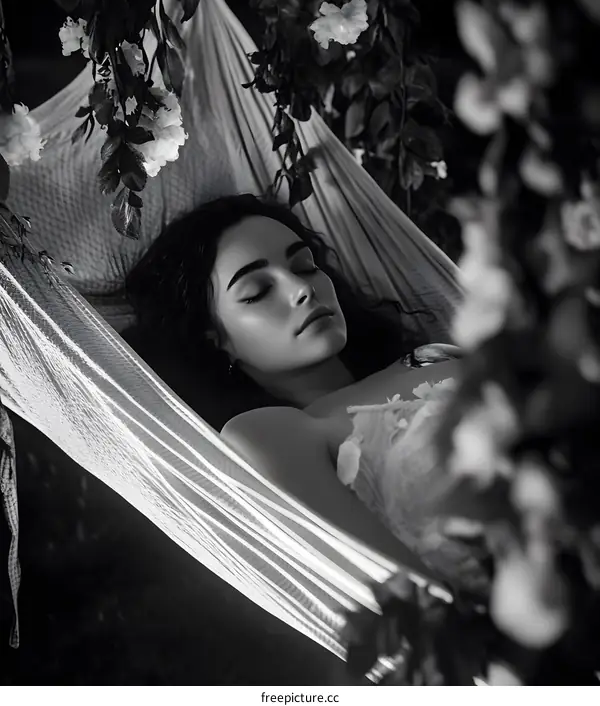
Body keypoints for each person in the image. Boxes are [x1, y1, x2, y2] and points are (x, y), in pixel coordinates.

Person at [126, 194, 468, 587]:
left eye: (305, 266)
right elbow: (412, 595)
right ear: (214, 339)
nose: (302, 288)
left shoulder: (428, 356)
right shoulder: (273, 435)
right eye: (257, 291)